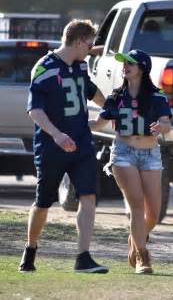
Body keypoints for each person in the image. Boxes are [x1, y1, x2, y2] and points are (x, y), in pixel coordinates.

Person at [18, 19, 109, 274]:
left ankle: (83, 257)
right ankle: (30, 248)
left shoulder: (80, 66)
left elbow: (92, 92)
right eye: (89, 44)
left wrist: (111, 111)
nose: (90, 49)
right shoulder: (44, 67)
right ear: (79, 42)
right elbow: (34, 110)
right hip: (52, 145)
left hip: (81, 142)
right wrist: (57, 135)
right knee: (43, 202)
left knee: (88, 196)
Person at [89, 49, 171, 274]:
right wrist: (75, 124)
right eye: (124, 63)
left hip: (151, 154)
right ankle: (142, 257)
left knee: (152, 213)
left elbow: (166, 124)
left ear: (142, 68)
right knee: (136, 205)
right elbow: (98, 124)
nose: (125, 66)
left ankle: (135, 239)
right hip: (123, 153)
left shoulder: (157, 96)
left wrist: (161, 127)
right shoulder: (116, 96)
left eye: (130, 63)